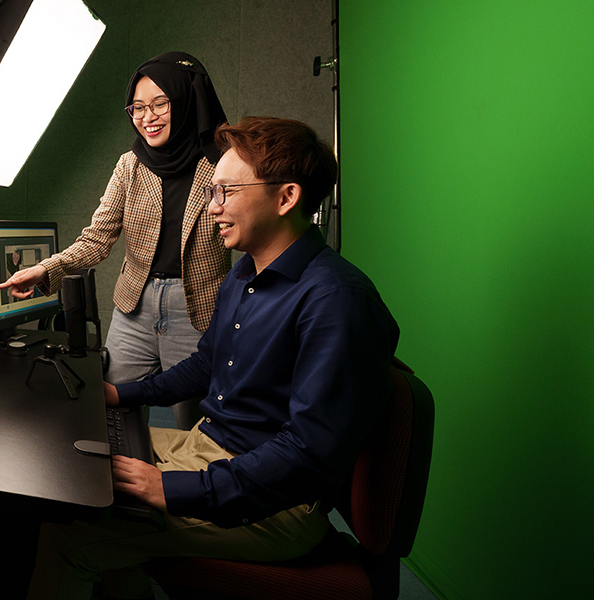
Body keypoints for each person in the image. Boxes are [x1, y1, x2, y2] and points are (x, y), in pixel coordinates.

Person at [25, 116, 400, 600]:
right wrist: (122, 393)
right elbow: (207, 364)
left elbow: (306, 458)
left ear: (286, 197)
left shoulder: (336, 301)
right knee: (79, 460)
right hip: (210, 448)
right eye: (212, 192)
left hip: (279, 503)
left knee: (69, 535)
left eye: (225, 192)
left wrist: (172, 490)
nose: (212, 208)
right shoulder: (244, 273)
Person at [0, 52, 232, 429]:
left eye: (159, 104)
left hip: (198, 308)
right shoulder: (129, 165)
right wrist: (43, 269)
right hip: (134, 306)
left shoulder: (224, 163)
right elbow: (97, 239)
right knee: (108, 413)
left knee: (194, 425)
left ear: (186, 101)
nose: (147, 117)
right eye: (137, 108)